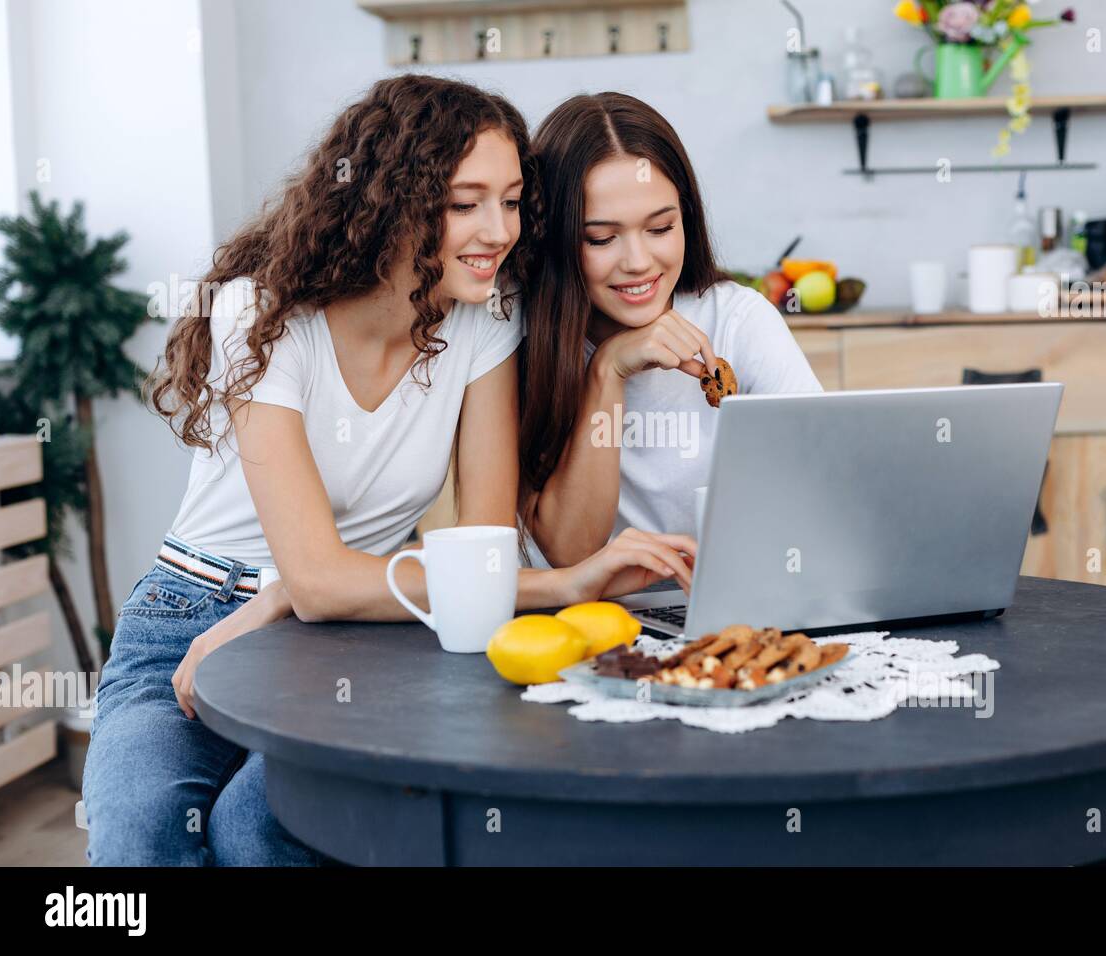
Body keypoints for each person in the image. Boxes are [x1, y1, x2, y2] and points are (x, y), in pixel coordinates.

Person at [82, 76, 696, 866]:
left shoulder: (485, 317)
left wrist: (290, 598)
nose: (498, 230)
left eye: (511, 201)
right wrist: (566, 584)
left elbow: (474, 554)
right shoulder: (260, 314)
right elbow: (316, 578)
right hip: (190, 615)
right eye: (464, 202)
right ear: (390, 200)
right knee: (142, 839)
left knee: (260, 829)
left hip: (355, 640)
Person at [519, 92, 822, 569]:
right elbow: (570, 552)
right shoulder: (523, 338)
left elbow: (822, 483)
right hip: (580, 618)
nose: (638, 263)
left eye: (660, 229)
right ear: (555, 237)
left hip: (715, 602)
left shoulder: (738, 320)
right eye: (600, 238)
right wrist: (607, 369)